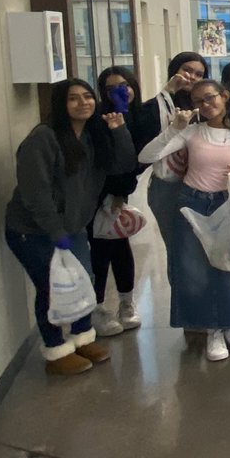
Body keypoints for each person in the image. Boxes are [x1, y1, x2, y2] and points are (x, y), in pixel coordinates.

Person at [5, 79, 134, 375]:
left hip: (72, 227)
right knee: (51, 288)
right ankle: (55, 350)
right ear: (60, 105)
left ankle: (81, 337)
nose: (83, 103)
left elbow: (123, 164)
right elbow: (35, 192)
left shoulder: (92, 136)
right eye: (73, 99)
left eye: (88, 97)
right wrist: (54, 231)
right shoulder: (44, 138)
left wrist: (119, 130)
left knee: (84, 281)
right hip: (33, 231)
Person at [139, 80, 230, 361]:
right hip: (192, 204)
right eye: (198, 101)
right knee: (195, 272)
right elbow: (146, 156)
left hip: (227, 204)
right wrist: (174, 128)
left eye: (210, 98)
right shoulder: (191, 132)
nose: (206, 105)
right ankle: (212, 330)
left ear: (225, 96)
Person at [88, 67, 151, 336]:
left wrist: (121, 194)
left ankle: (126, 303)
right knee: (100, 250)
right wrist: (113, 192)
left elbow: (135, 163)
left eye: (124, 85)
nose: (120, 91)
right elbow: (108, 162)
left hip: (119, 191)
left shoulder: (139, 115)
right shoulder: (98, 119)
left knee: (120, 244)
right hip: (94, 193)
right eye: (112, 88)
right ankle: (97, 307)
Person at [144, 53, 208, 249]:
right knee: (175, 247)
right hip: (167, 185)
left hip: (200, 184)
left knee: (199, 246)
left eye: (198, 74)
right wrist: (169, 91)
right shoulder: (160, 104)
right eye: (187, 70)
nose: (191, 77)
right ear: (174, 71)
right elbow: (148, 135)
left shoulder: (206, 105)